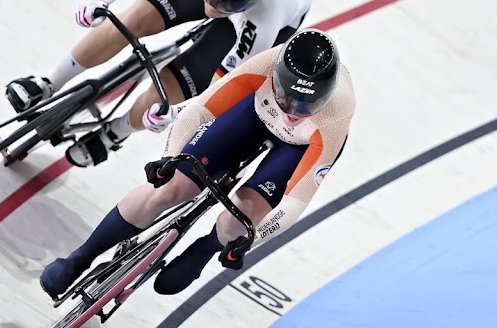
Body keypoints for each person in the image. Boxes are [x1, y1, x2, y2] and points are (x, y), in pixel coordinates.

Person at [39, 29, 354, 299]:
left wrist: (250, 241)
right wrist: (169, 158)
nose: (294, 111)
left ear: (325, 98)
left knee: (238, 223)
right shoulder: (265, 65)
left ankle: (205, 248)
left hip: (296, 148)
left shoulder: (337, 114)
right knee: (166, 189)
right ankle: (80, 258)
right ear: (275, 78)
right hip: (254, 115)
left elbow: (294, 202)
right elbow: (198, 112)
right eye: (286, 99)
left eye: (307, 104)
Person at [5, 0, 316, 167]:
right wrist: (99, 1)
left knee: (171, 90)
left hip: (271, 15)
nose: (211, 7)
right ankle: (49, 83)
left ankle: (118, 131)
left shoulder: (268, 16)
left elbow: (223, 89)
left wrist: (177, 113)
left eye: (225, 5)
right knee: (135, 17)